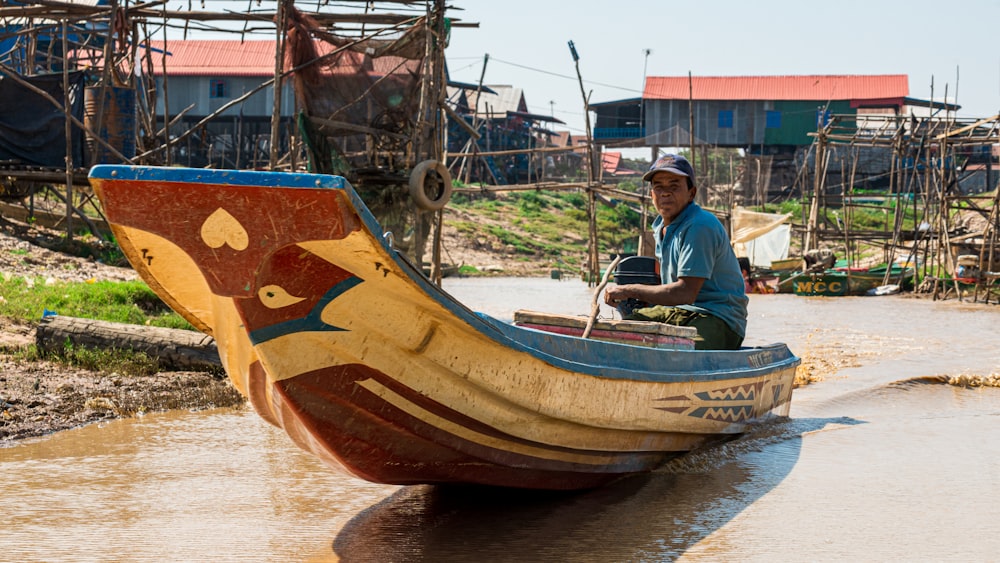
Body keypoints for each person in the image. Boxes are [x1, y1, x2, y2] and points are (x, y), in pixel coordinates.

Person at [604, 154, 748, 350]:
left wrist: (630, 290)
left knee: (681, 353)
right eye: (658, 186)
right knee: (617, 334)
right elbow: (670, 290)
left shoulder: (700, 226)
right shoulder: (661, 227)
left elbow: (685, 292)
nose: (665, 193)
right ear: (651, 193)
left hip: (717, 318)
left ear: (691, 193)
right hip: (677, 311)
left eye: (674, 186)